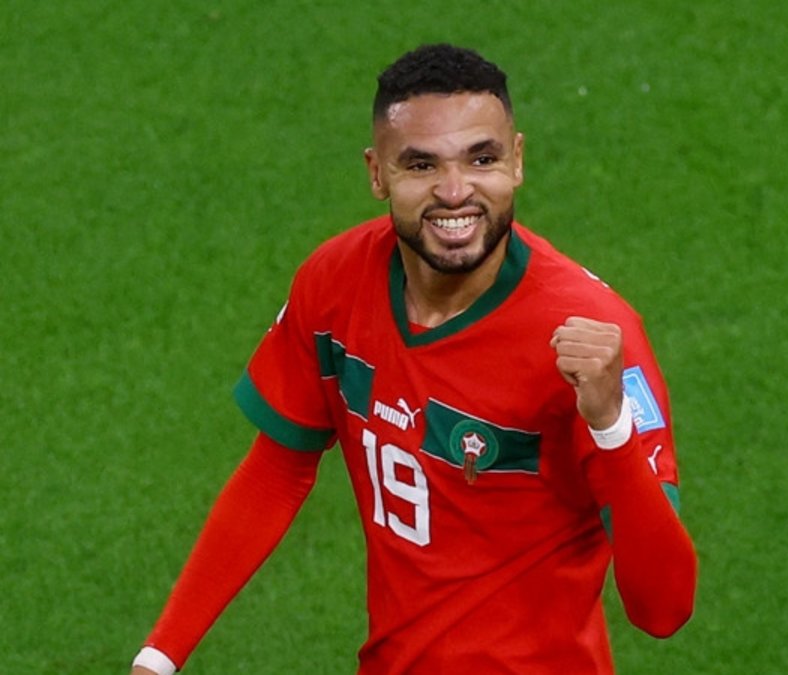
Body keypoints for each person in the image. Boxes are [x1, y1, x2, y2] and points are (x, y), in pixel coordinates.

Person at [130, 44, 697, 675]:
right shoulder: (335, 282)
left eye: (481, 159)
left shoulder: (593, 340)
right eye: (421, 164)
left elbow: (664, 608)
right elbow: (276, 472)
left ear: (517, 161)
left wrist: (610, 425)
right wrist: (159, 658)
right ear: (377, 174)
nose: (455, 193)